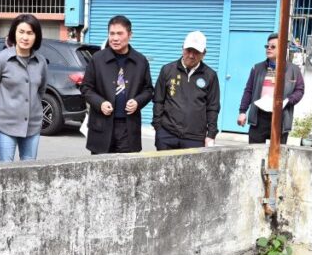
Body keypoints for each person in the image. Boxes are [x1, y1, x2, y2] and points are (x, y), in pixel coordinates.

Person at [80, 15, 153, 154]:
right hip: (102, 124)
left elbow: (148, 90)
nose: (115, 38)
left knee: (126, 166)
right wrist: (100, 103)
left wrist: (137, 102)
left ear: (130, 35)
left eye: (120, 33)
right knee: (100, 165)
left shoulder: (140, 61)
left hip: (128, 127)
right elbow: (86, 88)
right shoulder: (98, 59)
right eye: (111, 33)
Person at [0, 14, 48, 162]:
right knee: (6, 169)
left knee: (29, 169)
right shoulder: (0, 60)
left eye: (30, 33)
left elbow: (41, 91)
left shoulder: (41, 62)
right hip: (5, 125)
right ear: (14, 33)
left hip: (32, 126)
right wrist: (1, 108)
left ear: (36, 36)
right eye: (21, 32)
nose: (25, 37)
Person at [152, 31, 220, 150]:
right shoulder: (167, 70)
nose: (191, 56)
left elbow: (213, 107)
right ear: (182, 48)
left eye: (196, 52)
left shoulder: (210, 75)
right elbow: (158, 100)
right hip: (167, 134)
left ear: (204, 53)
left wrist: (211, 134)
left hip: (195, 138)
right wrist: (158, 127)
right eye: (188, 50)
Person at [237, 33, 304, 145]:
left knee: (277, 153)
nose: (268, 48)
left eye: (273, 47)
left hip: (281, 117)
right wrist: (242, 111)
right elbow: (248, 90)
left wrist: (287, 101)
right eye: (267, 46)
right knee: (255, 152)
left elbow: (299, 90)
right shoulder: (257, 68)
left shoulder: (293, 70)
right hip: (259, 117)